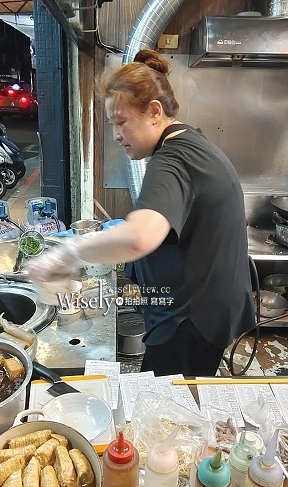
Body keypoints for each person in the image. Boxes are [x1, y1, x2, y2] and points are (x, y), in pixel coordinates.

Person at [27, 49, 255, 377]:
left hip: (194, 316)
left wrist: (65, 254)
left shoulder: (174, 158)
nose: (117, 134)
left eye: (122, 122)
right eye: (112, 124)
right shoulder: (189, 142)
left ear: (153, 111)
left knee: (166, 401)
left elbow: (139, 238)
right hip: (206, 303)